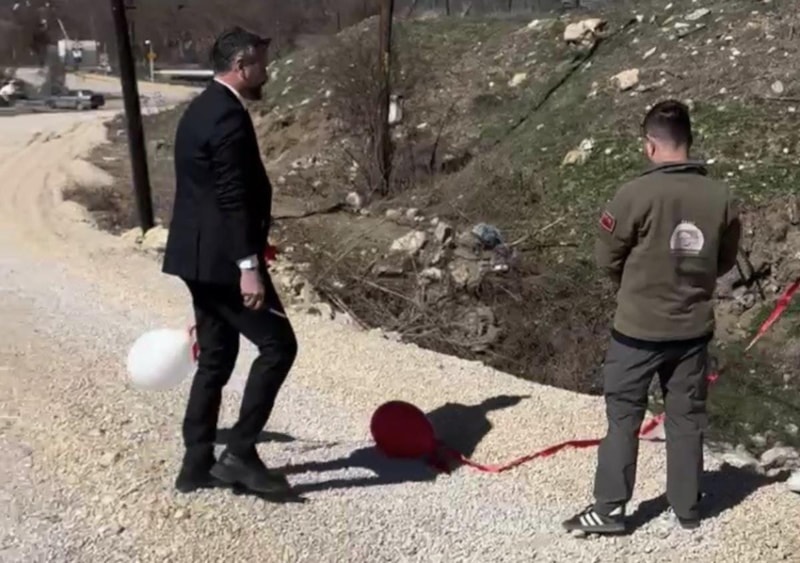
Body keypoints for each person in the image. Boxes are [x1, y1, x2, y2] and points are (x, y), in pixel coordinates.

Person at [562, 100, 741, 534]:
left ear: (649, 145)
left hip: (637, 331)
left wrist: (636, 286)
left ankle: (610, 509)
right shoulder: (721, 197)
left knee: (624, 417)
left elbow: (606, 258)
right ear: (690, 140)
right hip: (692, 331)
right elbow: (723, 261)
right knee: (687, 417)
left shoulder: (634, 194)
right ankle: (687, 507)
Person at [162, 26, 298, 496]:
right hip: (224, 262)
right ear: (241, 66)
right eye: (261, 64)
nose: (267, 72)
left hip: (197, 257)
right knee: (278, 346)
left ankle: (196, 462)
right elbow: (232, 197)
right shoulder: (227, 117)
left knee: (216, 357)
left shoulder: (201, 107)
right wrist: (248, 267)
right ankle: (240, 453)